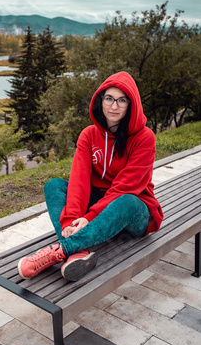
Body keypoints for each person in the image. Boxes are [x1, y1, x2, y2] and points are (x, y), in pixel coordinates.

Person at [18, 71, 164, 282]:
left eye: (122, 100)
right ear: (100, 101)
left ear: (131, 105)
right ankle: (77, 253)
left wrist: (89, 217)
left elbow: (125, 187)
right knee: (54, 185)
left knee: (126, 201)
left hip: (134, 210)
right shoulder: (89, 134)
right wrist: (70, 220)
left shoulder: (144, 138)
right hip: (98, 204)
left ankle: (61, 250)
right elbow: (79, 180)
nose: (114, 106)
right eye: (109, 99)